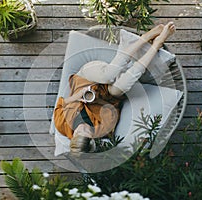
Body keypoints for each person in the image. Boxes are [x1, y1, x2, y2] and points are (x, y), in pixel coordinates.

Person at [54, 22, 176, 153]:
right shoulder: (102, 130)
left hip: (86, 78)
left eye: (79, 131)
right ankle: (157, 43)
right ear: (92, 139)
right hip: (107, 94)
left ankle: (145, 38)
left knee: (108, 75)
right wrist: (98, 100)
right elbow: (113, 109)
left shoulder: (62, 125)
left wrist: (76, 97)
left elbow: (61, 103)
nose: (83, 127)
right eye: (87, 131)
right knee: (124, 84)